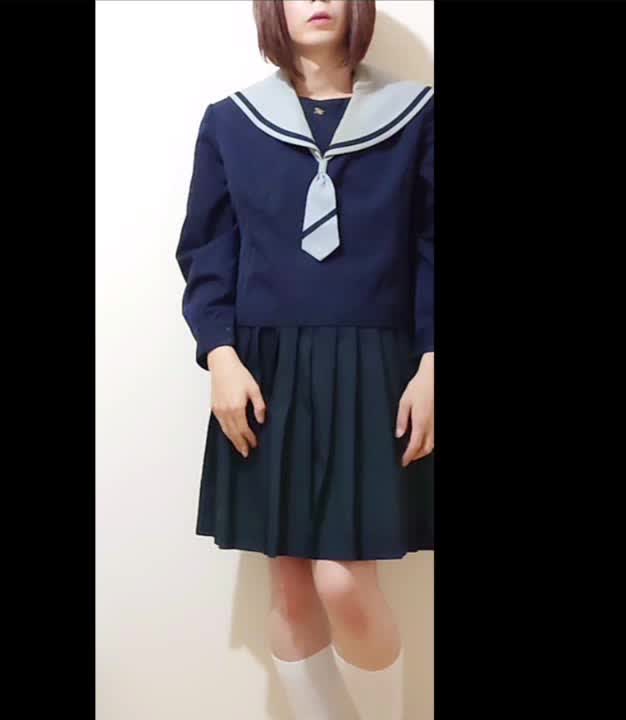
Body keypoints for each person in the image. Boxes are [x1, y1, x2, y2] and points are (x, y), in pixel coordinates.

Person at [175, 2, 433, 717]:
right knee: (290, 587)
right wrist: (220, 356)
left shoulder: (418, 117)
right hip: (266, 370)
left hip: (375, 367)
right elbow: (207, 251)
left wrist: (432, 361)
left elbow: (433, 248)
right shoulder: (231, 122)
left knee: (343, 581)